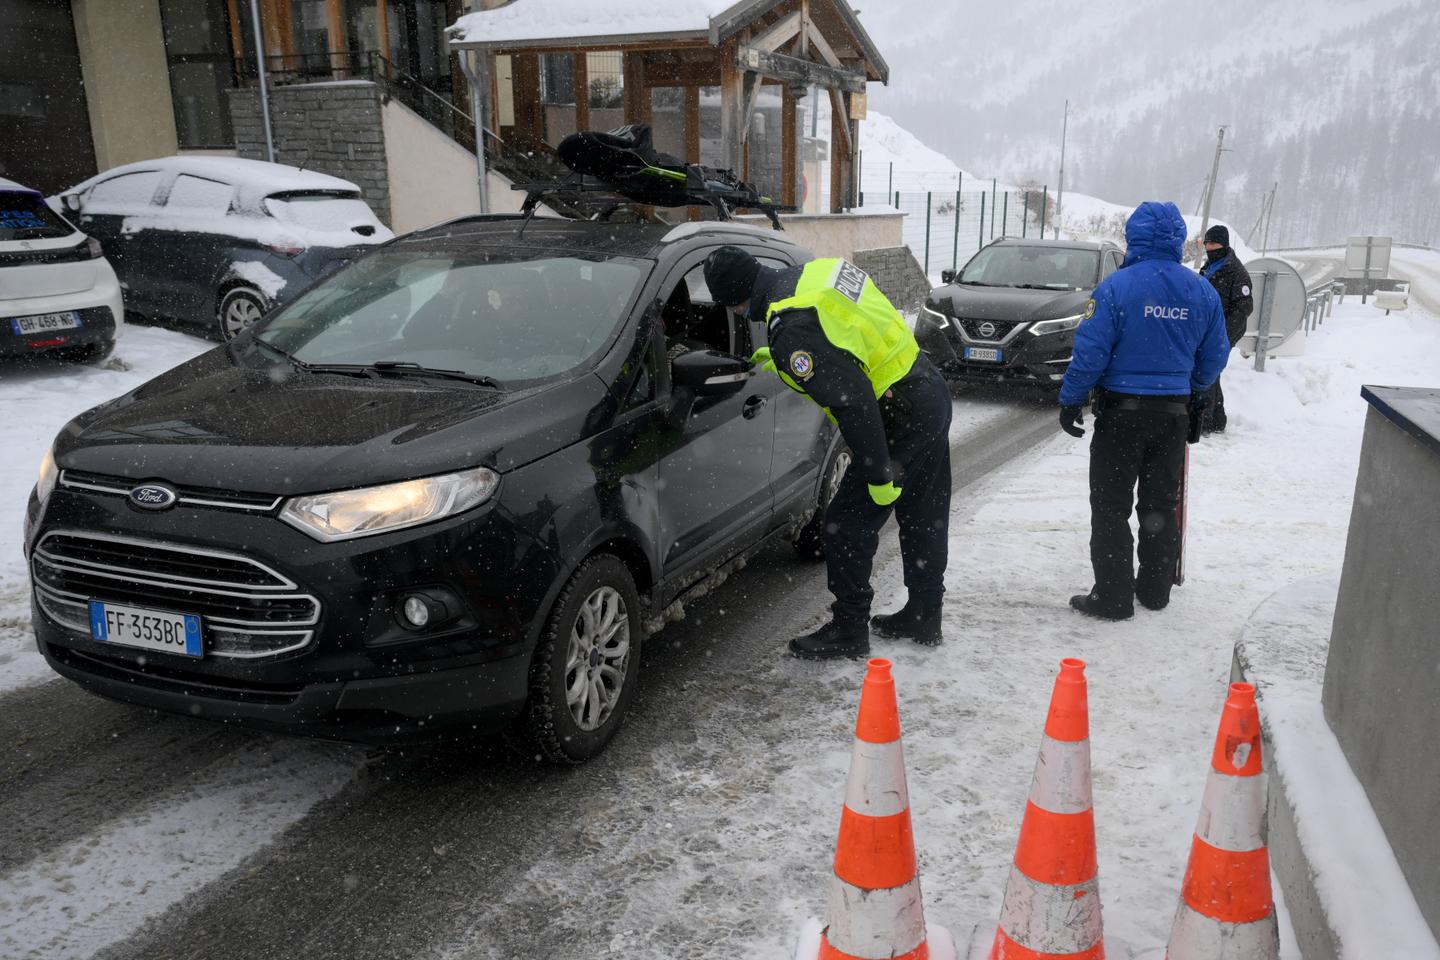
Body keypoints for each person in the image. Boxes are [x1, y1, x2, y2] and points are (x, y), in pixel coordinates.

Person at [702, 247, 953, 659]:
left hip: (897, 411)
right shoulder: (815, 274)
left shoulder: (792, 328)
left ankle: (849, 629)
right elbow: (847, 328)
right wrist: (794, 358)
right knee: (923, 511)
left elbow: (854, 403)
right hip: (923, 387)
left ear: (734, 300)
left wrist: (878, 474)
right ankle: (926, 612)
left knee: (845, 522)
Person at [1057, 202, 1230, 620]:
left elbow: (1090, 353)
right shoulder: (1201, 291)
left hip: (1121, 415)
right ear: (1176, 238)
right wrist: (1194, 390)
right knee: (1159, 503)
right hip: (1172, 415)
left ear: (1133, 237)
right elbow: (1215, 354)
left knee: (1111, 505)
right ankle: (1154, 590)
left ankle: (1113, 597)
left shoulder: (1117, 288)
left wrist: (1071, 399)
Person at [1199, 224, 1254, 433]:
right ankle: (1217, 419)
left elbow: (1244, 308)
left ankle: (1205, 421)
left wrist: (1223, 336)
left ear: (1223, 244)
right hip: (1207, 330)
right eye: (1206, 243)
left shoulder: (1236, 272)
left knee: (1208, 370)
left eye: (1213, 243)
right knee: (1211, 372)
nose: (1209, 247)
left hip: (1224, 331)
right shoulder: (1209, 266)